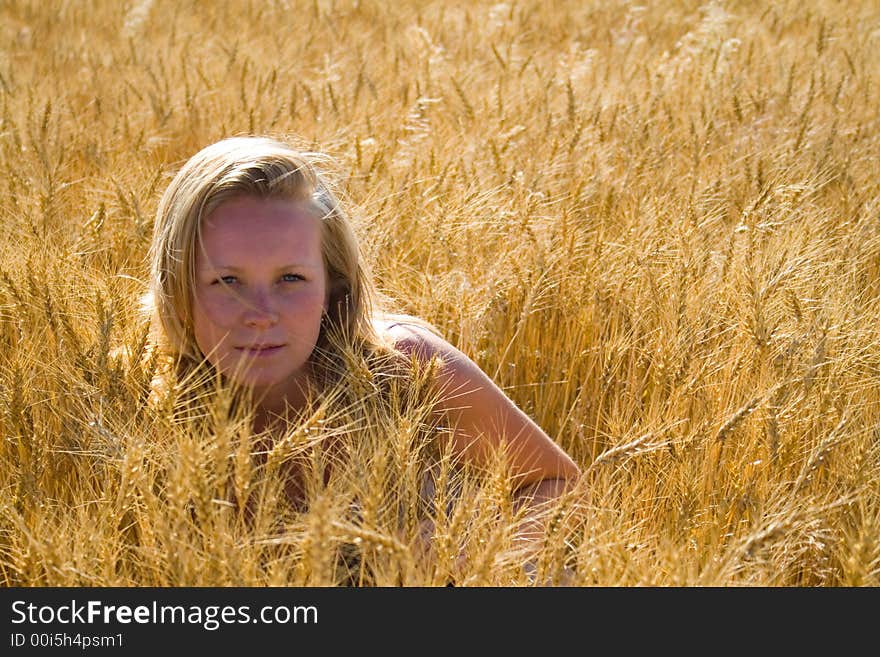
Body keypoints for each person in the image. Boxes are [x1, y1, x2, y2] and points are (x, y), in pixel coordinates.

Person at [143, 135, 581, 580]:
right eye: (227, 280)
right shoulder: (134, 405)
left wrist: (471, 548)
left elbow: (559, 485)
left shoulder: (409, 371)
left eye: (291, 277)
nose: (261, 314)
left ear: (333, 287)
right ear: (177, 288)